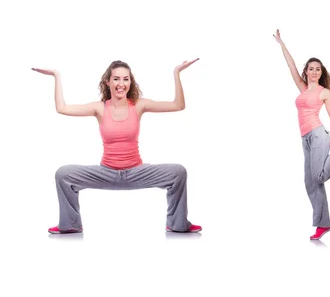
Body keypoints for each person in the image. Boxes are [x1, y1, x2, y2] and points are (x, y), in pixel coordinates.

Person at [32, 60, 202, 234]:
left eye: (126, 79)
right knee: (63, 174)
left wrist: (176, 73)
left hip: (137, 171)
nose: (121, 84)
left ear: (130, 82)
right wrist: (56, 76)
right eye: (116, 79)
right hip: (107, 173)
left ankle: (178, 223)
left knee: (178, 172)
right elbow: (62, 108)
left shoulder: (138, 105)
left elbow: (178, 105)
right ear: (108, 82)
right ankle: (70, 225)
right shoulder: (99, 108)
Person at [273, 30, 330, 241]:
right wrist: (281, 43)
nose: (314, 72)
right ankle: (323, 224)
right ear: (307, 71)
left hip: (319, 135)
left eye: (317, 69)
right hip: (305, 139)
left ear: (321, 72)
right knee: (311, 182)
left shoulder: (324, 92)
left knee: (318, 176)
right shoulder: (302, 88)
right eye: (311, 69)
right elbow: (291, 66)